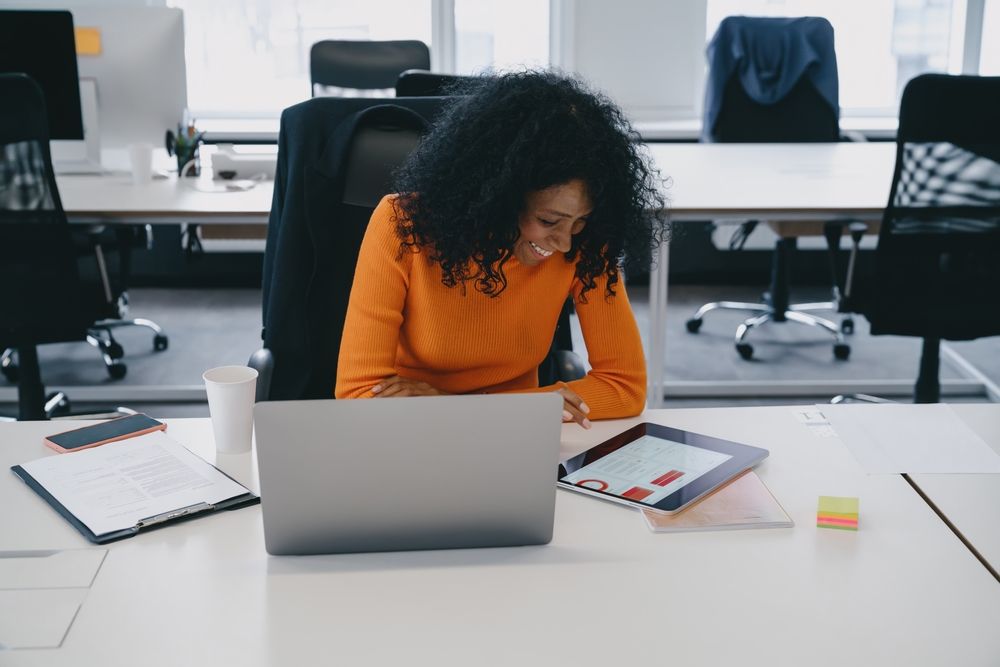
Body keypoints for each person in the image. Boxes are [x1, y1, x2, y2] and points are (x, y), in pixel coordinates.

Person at [335, 71, 668, 427]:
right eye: (549, 220)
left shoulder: (584, 242)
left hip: (516, 440)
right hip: (409, 432)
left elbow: (626, 387)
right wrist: (524, 409)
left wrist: (462, 408)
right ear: (498, 197)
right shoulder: (402, 224)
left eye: (580, 221)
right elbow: (359, 393)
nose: (566, 242)